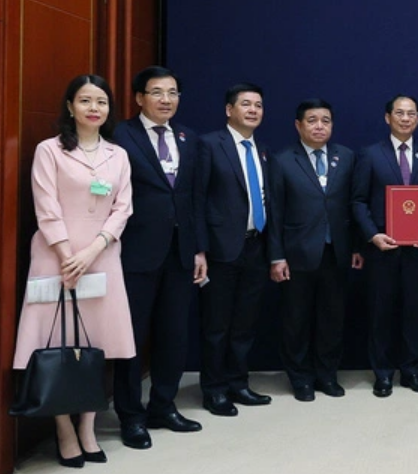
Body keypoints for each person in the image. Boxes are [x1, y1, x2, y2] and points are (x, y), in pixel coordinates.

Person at [13, 74, 136, 467]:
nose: (94, 108)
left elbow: (123, 208)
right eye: (85, 101)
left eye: (101, 102)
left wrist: (93, 250)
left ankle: (88, 427)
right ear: (70, 107)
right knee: (55, 345)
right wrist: (69, 256)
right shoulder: (49, 150)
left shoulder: (117, 154)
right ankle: (63, 430)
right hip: (55, 256)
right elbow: (45, 207)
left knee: (96, 344)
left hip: (101, 255)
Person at [111, 66, 205, 450]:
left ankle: (163, 405)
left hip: (180, 253)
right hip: (135, 251)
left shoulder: (189, 137)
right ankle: (131, 416)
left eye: (173, 93)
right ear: (139, 98)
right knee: (130, 338)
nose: (166, 100)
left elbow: (195, 197)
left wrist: (199, 248)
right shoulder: (120, 136)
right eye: (157, 92)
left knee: (174, 333)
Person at [267, 99, 364, 401]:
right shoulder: (282, 160)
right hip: (297, 254)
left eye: (325, 120)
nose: (319, 126)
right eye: (312, 120)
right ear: (299, 125)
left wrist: (357, 247)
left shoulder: (346, 157)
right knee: (296, 319)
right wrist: (276, 255)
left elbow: (355, 204)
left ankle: (327, 375)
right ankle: (300, 378)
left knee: (332, 319)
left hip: (337, 251)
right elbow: (275, 213)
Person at [194, 82, 273, 416]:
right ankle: (214, 390)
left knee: (245, 323)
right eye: (246, 104)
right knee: (217, 325)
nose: (253, 110)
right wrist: (199, 249)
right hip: (220, 250)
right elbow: (196, 201)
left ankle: (238, 383)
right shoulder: (210, 145)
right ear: (230, 110)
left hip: (255, 247)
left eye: (258, 104)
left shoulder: (262, 150)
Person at [355, 94, 418, 397]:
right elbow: (359, 201)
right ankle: (383, 373)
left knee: (415, 312)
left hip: (417, 250)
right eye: (400, 113)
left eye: (411, 113)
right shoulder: (370, 154)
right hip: (383, 248)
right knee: (381, 313)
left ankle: (413, 371)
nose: (406, 118)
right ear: (387, 118)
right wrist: (372, 235)